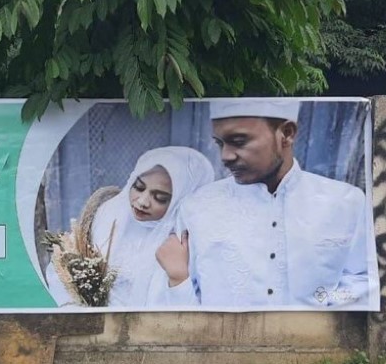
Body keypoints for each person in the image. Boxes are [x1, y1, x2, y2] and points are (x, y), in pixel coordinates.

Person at [157, 99, 373, 308]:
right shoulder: (197, 207)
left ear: (287, 134)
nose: (225, 156)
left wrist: (319, 314)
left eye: (239, 141)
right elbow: (176, 295)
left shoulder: (345, 203)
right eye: (220, 143)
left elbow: (361, 281)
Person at [45, 146, 215, 308]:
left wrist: (178, 278)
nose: (142, 201)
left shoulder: (187, 245)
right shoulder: (108, 217)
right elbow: (62, 270)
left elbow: (197, 315)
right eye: (139, 187)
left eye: (160, 198)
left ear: (179, 201)